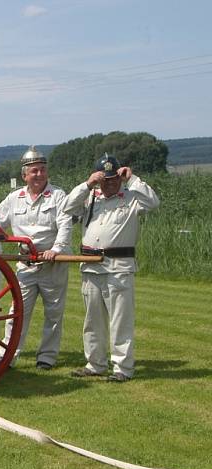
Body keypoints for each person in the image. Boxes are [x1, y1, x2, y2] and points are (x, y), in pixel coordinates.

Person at [62, 154, 160, 382]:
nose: (111, 183)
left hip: (119, 267)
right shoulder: (90, 199)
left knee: (120, 321)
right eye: (106, 179)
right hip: (91, 267)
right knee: (92, 321)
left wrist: (133, 178)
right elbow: (67, 208)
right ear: (99, 180)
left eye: (115, 178)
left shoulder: (132, 198)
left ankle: (122, 368)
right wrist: (87, 185)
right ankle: (95, 363)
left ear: (120, 177)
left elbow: (154, 202)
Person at [0, 147, 73, 370]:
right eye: (34, 171)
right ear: (24, 175)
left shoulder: (58, 196)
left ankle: (46, 357)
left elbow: (65, 226)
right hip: (25, 266)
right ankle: (7, 356)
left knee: (53, 315)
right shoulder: (13, 198)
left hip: (52, 265)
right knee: (16, 313)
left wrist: (56, 249)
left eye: (43, 170)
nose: (39, 175)